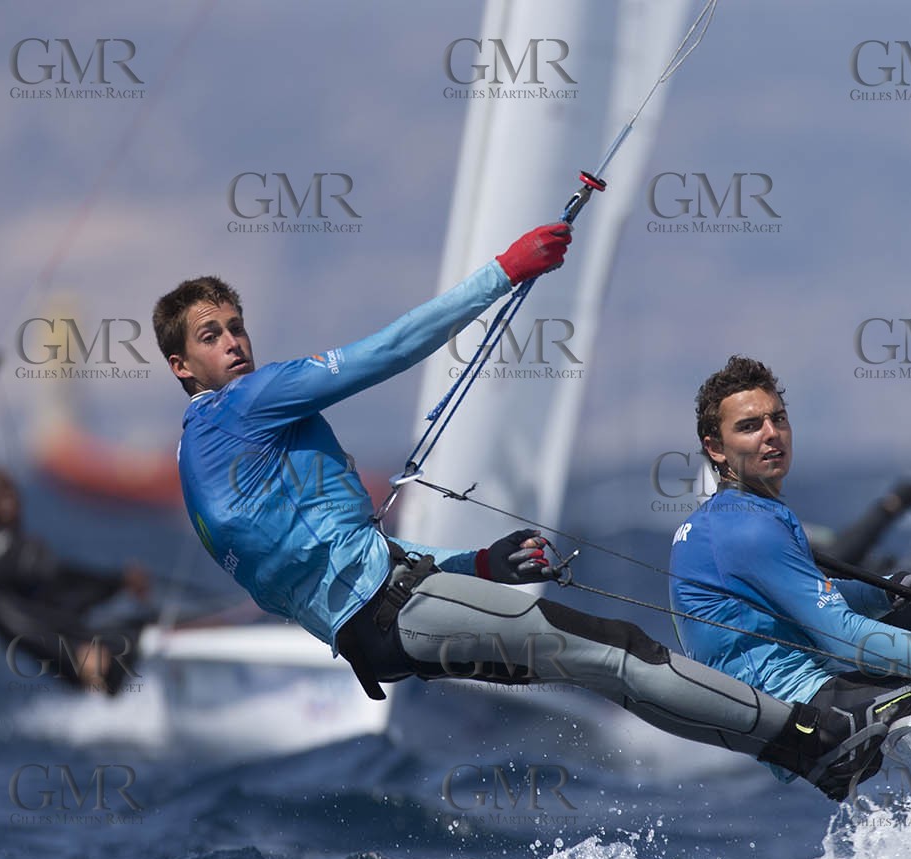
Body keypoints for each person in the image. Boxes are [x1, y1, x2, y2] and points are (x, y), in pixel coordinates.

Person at [157, 224, 865, 797]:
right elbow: (391, 349)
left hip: (379, 636)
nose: (236, 342)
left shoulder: (201, 467)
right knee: (621, 649)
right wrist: (506, 269)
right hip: (397, 610)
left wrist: (482, 565)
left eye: (237, 325)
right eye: (212, 335)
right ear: (182, 365)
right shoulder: (245, 407)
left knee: (603, 667)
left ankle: (807, 756)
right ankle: (815, 734)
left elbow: (336, 578)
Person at [668, 356, 911, 795]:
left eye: (779, 419)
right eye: (750, 426)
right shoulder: (745, 528)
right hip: (807, 714)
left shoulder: (738, 516)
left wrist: (892, 592)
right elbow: (843, 637)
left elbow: (812, 600)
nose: (772, 434)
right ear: (715, 447)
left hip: (803, 708)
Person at [0, 465, 152, 693]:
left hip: (86, 640)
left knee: (147, 621)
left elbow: (64, 586)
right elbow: (5, 615)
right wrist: (73, 654)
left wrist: (120, 582)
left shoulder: (25, 546)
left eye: (8, 488)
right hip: (80, 659)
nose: (6, 497)